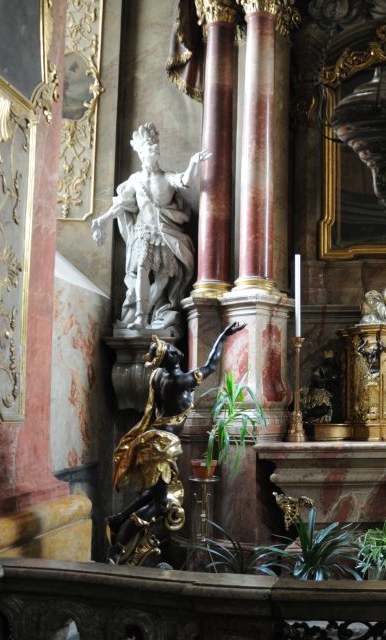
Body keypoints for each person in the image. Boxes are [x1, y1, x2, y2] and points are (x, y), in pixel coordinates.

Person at [107, 321, 244, 566]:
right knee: (161, 503)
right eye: (170, 352)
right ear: (167, 360)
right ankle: (119, 544)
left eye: (172, 348)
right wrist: (223, 336)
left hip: (158, 441)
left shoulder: (158, 376)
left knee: (153, 494)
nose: (175, 350)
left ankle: (118, 519)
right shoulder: (177, 380)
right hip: (161, 445)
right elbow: (211, 366)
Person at [92, 122, 210, 331]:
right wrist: (101, 220)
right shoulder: (135, 180)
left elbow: (183, 180)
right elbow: (120, 205)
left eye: (156, 144)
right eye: (150, 145)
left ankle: (148, 314)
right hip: (143, 233)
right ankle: (140, 317)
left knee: (164, 278)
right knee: (141, 269)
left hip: (165, 235)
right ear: (141, 152)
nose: (155, 147)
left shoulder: (166, 177)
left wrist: (193, 164)